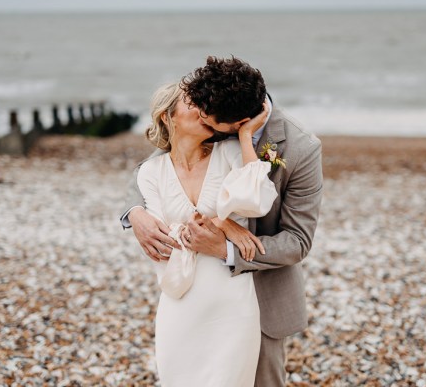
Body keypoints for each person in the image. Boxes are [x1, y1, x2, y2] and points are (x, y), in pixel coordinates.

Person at [121, 56, 323, 386]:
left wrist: (226, 248)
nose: (202, 122)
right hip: (194, 294)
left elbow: (298, 241)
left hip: (262, 294)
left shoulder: (301, 148)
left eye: (210, 123)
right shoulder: (213, 100)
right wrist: (134, 212)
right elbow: (163, 161)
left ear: (237, 124)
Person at [129, 81, 278, 386]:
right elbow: (164, 242)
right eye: (191, 102)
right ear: (166, 116)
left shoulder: (230, 153)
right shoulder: (151, 172)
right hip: (180, 302)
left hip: (232, 303)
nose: (203, 108)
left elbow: (256, 200)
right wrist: (224, 223)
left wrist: (246, 135)